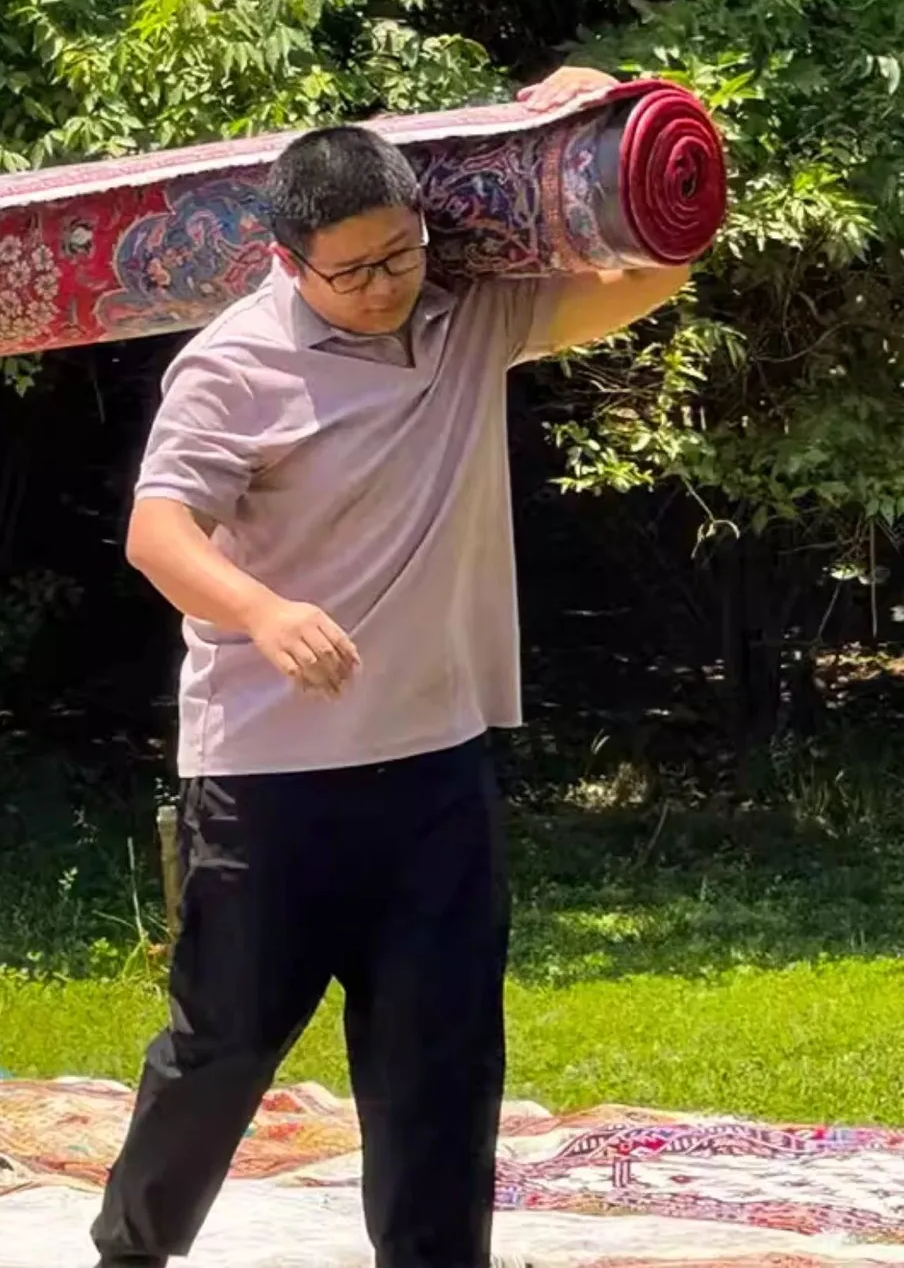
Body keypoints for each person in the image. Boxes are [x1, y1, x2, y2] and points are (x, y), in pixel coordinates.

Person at [91, 67, 696, 1268]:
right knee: (223, 1048)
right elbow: (157, 534)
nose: (382, 286)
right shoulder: (231, 364)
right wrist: (262, 611)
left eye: (399, 255)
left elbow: (649, 274)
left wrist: (604, 126)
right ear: (288, 262)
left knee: (440, 1059)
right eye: (351, 270)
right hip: (268, 777)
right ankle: (131, 1250)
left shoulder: (468, 318)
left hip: (434, 765)